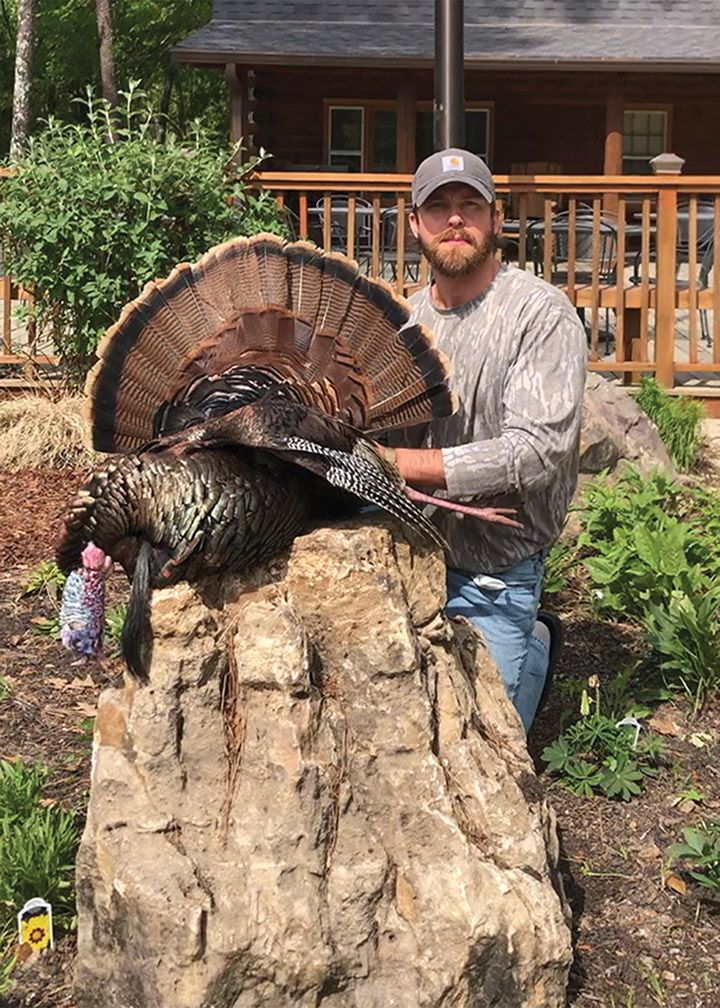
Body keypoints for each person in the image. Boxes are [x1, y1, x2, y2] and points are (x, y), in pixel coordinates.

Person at [387, 148, 587, 732]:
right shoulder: (401, 320)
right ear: (415, 224)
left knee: (488, 749)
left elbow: (535, 451)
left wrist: (400, 462)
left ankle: (533, 640)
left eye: (470, 205)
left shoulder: (538, 314)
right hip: (412, 551)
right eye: (439, 206)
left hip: (498, 564)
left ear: (496, 220)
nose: (455, 219)